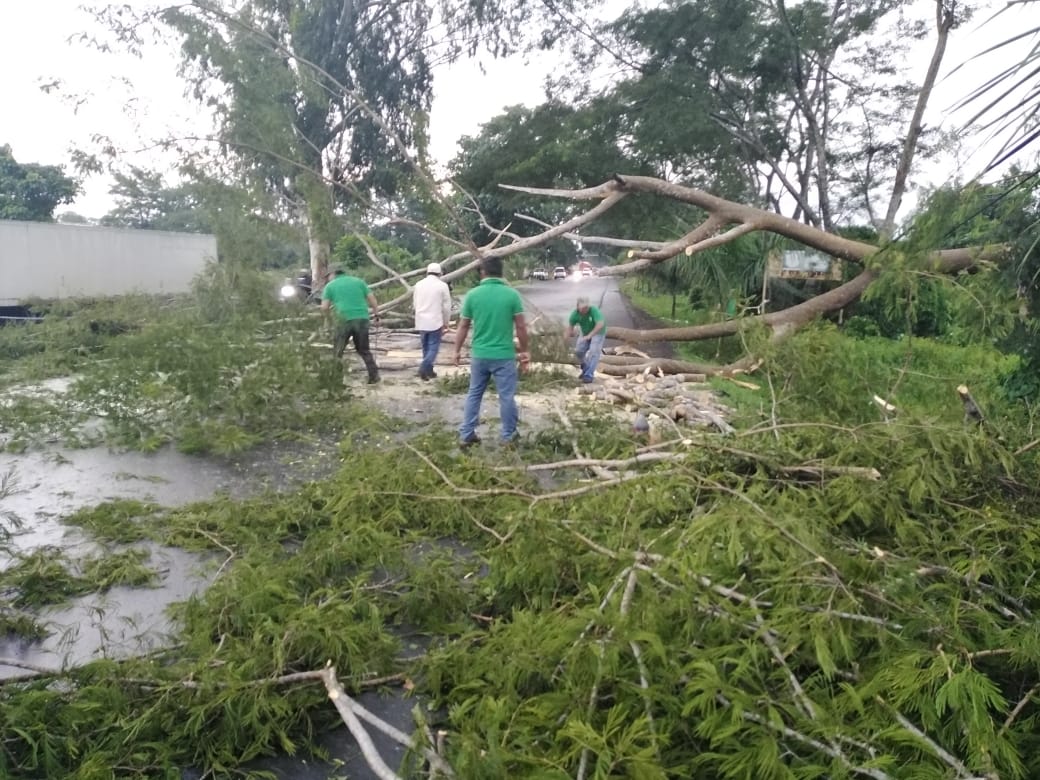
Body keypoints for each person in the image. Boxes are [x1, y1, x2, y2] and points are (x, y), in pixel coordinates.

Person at [452, 256, 530, 447]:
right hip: (504, 355)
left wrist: (456, 350)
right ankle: (508, 436)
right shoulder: (511, 295)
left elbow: (463, 326)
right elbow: (521, 327)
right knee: (506, 396)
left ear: (482, 272)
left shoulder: (472, 295)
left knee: (474, 393)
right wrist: (525, 351)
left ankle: (467, 433)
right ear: (501, 273)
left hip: (479, 354)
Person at [321, 268, 381, 384]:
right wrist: (376, 315)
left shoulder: (330, 286)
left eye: (328, 276)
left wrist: (327, 321)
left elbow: (324, 307)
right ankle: (374, 376)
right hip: (362, 319)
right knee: (364, 350)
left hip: (343, 320)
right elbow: (372, 299)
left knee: (338, 351)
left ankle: (337, 380)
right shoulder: (359, 282)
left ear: (332, 274)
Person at [413, 262, 452, 380]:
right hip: (435, 321)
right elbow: (446, 307)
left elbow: (415, 304)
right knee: (433, 348)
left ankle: (429, 371)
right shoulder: (442, 286)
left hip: (421, 320)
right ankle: (423, 368)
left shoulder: (418, 285)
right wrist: (446, 322)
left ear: (427, 272)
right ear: (440, 273)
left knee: (425, 348)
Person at [568, 296, 606, 384]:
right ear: (577, 306)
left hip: (598, 332)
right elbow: (570, 328)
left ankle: (589, 375)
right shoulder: (574, 315)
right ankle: (585, 368)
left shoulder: (594, 311)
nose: (585, 309)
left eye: (586, 307)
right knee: (578, 352)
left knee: (594, 352)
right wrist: (568, 335)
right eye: (583, 308)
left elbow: (600, 324)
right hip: (585, 332)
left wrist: (590, 335)